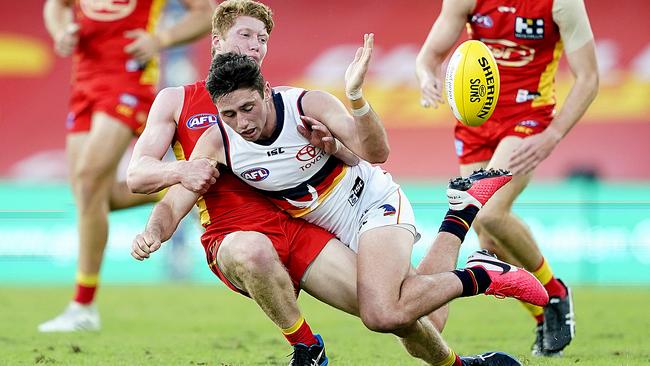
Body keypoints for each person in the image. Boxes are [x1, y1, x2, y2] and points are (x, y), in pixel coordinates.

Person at [128, 2, 530, 364]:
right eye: (245, 35)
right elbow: (162, 189)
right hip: (310, 221)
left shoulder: (300, 104)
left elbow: (370, 153)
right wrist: (158, 220)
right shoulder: (210, 129)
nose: (254, 45)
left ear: (264, 91)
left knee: (388, 313)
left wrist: (353, 104)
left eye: (262, 38)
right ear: (216, 41)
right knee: (415, 315)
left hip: (360, 203)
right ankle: (461, 215)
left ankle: (479, 273)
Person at [415, 0, 599, 356]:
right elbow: (429, 55)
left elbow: (589, 77)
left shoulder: (562, 3)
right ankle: (543, 312)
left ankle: (555, 293)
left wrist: (553, 134)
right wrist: (426, 78)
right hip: (475, 119)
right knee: (486, 234)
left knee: (488, 211)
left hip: (528, 118)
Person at [39, 0, 214, 332]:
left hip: (128, 83)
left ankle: (83, 306)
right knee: (92, 198)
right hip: (84, 83)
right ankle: (180, 188)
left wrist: (161, 39)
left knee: (89, 180)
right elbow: (56, 6)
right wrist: (60, 31)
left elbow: (205, 12)